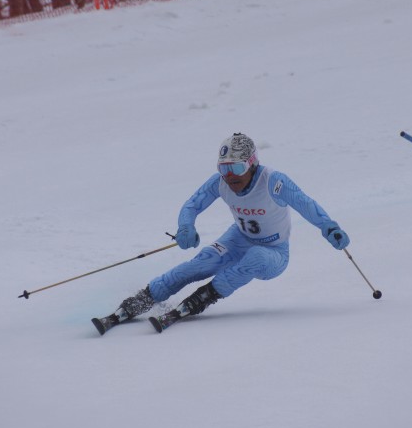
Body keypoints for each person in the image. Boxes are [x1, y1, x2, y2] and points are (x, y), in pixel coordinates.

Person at [92, 133, 350, 335]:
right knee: (199, 264)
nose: (229, 176)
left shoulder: (272, 180)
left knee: (257, 257)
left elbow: (305, 203)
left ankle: (202, 298)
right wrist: (186, 227)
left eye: (236, 168)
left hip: (274, 253)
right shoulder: (220, 182)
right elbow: (193, 204)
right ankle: (139, 301)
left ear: (251, 164)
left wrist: (329, 227)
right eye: (223, 168)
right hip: (237, 240)